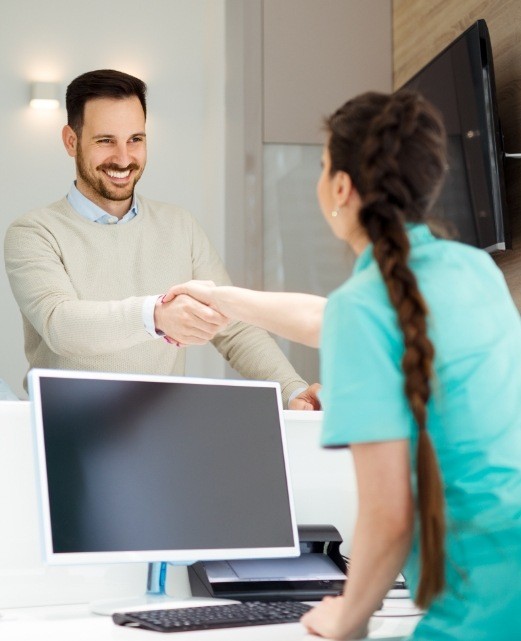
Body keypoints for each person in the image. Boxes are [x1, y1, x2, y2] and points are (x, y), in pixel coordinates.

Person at [164, 90, 521, 639]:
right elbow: (325, 317)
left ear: (340, 188)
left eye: (324, 164)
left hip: (477, 608)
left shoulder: (367, 306)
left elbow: (388, 516)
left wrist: (347, 616)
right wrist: (223, 297)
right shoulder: (475, 270)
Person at [3, 69, 319, 410]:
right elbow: (60, 325)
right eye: (106, 140)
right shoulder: (34, 232)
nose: (124, 159)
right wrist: (155, 315)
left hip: (160, 430)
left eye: (135, 139)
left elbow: (234, 327)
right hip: (64, 431)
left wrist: (292, 390)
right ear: (71, 141)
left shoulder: (180, 226)